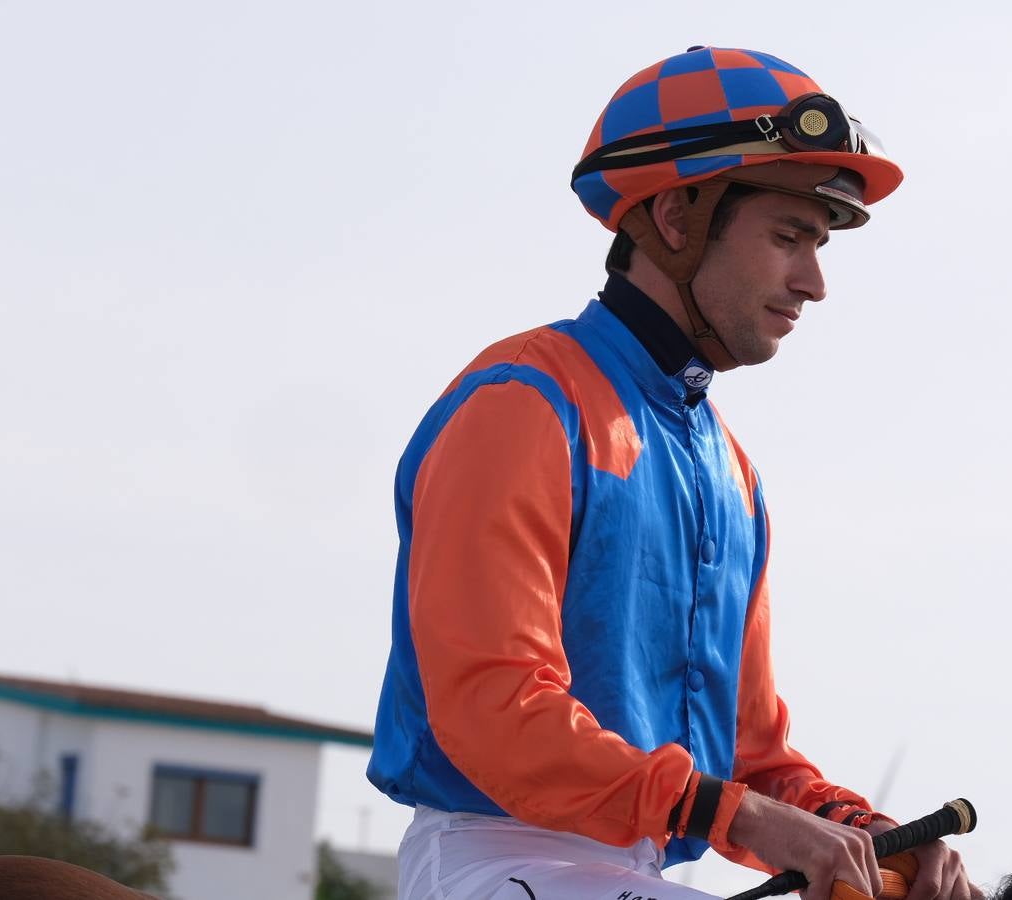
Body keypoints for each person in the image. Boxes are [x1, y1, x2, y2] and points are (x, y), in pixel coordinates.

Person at [368, 46, 979, 900]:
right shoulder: (522, 404)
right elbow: (492, 711)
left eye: (819, 245)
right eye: (788, 236)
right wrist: (735, 815)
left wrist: (866, 835)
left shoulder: (733, 473)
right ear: (678, 217)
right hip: (495, 854)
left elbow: (749, 762)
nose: (813, 282)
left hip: (644, 869)